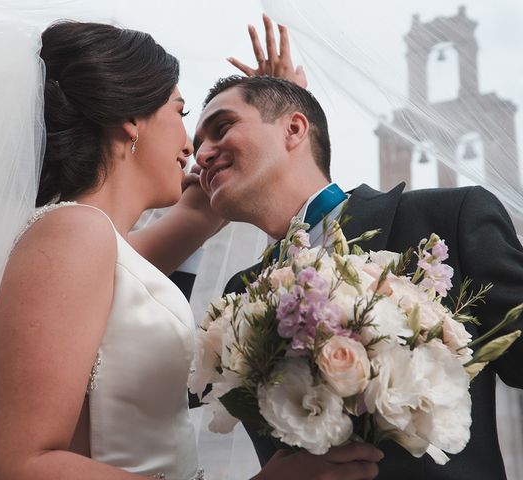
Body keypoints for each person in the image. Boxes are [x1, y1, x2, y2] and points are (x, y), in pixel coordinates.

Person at [0, 18, 383, 480]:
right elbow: (7, 464)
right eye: (180, 112)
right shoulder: (73, 233)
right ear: (130, 120)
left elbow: (195, 216)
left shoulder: (91, 240)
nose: (194, 148)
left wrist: (273, 125)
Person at [192, 25, 523, 480]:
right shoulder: (235, 297)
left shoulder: (444, 219)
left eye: (221, 129)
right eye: (195, 148)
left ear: (293, 128)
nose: (201, 156)